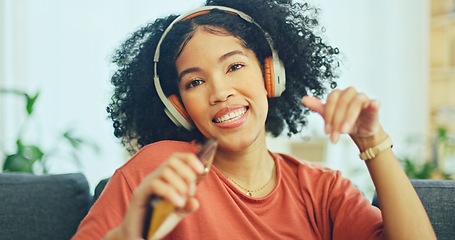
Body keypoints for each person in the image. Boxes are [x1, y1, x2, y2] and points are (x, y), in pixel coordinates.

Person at [73, 0, 436, 239]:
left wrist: (372, 142)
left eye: (234, 66)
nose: (220, 92)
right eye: (195, 82)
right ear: (178, 106)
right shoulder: (161, 168)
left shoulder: (322, 189)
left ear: (270, 75)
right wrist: (129, 234)